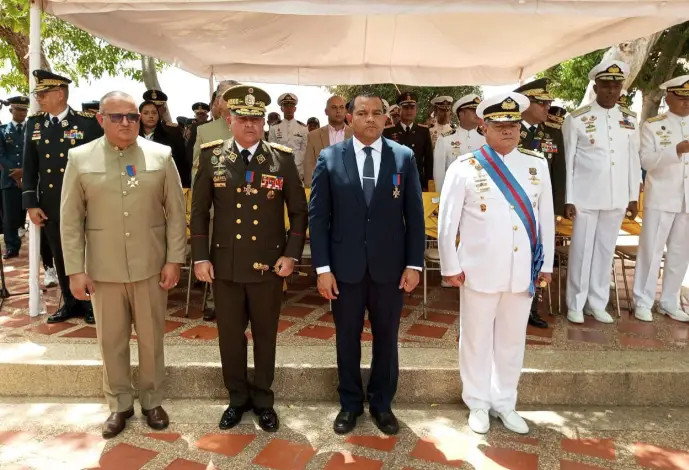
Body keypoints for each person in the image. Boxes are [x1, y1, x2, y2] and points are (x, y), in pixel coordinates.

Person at [60, 91, 187, 439]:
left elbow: (176, 213)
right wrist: (75, 269)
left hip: (150, 266)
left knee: (151, 340)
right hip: (103, 269)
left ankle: (151, 399)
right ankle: (119, 404)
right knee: (111, 341)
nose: (127, 123)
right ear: (101, 119)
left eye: (132, 116)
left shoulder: (161, 155)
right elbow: (70, 219)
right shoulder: (80, 157)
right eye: (117, 117)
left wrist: (175, 258)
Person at [190, 85, 307, 432]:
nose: (251, 125)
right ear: (229, 120)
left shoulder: (280, 159)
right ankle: (237, 398)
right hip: (225, 266)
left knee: (266, 335)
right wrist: (199, 257)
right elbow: (198, 213)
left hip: (269, 266)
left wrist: (291, 255)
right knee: (229, 335)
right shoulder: (212, 157)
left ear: (264, 122)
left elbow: (299, 213)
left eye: (256, 118)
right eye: (243, 118)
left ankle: (263, 400)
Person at [438, 92, 554, 435]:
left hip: (521, 273)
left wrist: (544, 263)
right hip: (478, 270)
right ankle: (477, 402)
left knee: (511, 340)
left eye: (514, 124)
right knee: (474, 339)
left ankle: (505, 402)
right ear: (483, 126)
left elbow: (544, 217)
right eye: (500, 125)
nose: (508, 131)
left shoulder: (536, 164)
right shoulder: (464, 167)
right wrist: (449, 266)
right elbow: (447, 223)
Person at [310, 93, 425, 436]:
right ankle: (349, 403)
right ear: (349, 117)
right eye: (362, 113)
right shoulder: (330, 158)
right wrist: (322, 268)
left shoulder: (402, 157)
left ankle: (381, 404)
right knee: (346, 338)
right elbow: (319, 218)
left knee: (387, 339)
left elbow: (414, 216)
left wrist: (414, 265)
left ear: (386, 118)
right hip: (344, 269)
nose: (371, 119)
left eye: (377, 113)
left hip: (390, 269)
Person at [22, 69, 103, 324]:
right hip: (51, 204)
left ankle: (90, 302)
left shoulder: (87, 123)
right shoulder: (35, 124)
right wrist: (30, 203)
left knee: (86, 254)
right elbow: (30, 166)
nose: (39, 99)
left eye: (43, 94)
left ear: (59, 94)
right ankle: (70, 302)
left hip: (82, 203)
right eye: (37, 94)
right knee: (59, 253)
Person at [563, 60, 641, 324]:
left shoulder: (629, 119)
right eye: (606, 85)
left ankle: (596, 303)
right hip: (585, 196)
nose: (611, 90)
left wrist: (633, 195)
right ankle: (575, 302)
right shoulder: (577, 118)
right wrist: (569, 198)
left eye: (616, 86)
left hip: (617, 196)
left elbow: (633, 160)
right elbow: (569, 162)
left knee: (605, 250)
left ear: (621, 88)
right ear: (596, 86)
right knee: (582, 251)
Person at [632, 75, 689, 322]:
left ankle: (669, 301)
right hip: (661, 196)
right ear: (669, 97)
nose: (687, 102)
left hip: (687, 199)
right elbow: (646, 161)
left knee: (680, 252)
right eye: (682, 97)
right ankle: (642, 301)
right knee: (652, 251)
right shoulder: (653, 126)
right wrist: (676, 150)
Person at [513, 78, 555, 329]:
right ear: (527, 103)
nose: (547, 107)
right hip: (512, 206)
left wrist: (558, 209)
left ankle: (533, 308)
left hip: (539, 209)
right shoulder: (507, 129)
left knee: (537, 258)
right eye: (542, 102)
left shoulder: (551, 134)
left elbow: (557, 175)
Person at [433, 94, 485, 193]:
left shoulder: (486, 139)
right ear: (461, 114)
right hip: (455, 194)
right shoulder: (445, 139)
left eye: (479, 110)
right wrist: (441, 198)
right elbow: (439, 174)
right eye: (473, 110)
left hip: (480, 195)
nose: (477, 114)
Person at [383, 91, 434, 190]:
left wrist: (428, 182)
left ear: (416, 109)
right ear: (399, 110)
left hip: (417, 179)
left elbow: (428, 160)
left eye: (412, 108)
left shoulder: (423, 131)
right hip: (395, 179)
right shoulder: (388, 131)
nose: (409, 111)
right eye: (406, 108)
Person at [0, 96, 29, 259]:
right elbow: (1, 155)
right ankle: (11, 246)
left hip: (31, 178)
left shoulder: (33, 130)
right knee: (9, 217)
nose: (22, 113)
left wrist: (24, 172)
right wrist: (16, 173)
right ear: (11, 110)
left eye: (24, 109)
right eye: (18, 109)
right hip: (9, 180)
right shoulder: (3, 131)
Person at [139, 100, 191, 188]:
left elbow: (181, 164)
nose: (151, 116)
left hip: (165, 185)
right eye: (146, 113)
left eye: (154, 113)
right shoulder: (133, 138)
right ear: (139, 116)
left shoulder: (170, 137)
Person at [303, 95, 353, 187]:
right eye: (334, 107)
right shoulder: (313, 136)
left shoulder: (356, 135)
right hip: (322, 191)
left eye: (341, 107)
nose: (338, 111)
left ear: (345, 111)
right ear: (326, 112)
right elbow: (309, 167)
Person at [268, 93, 308, 180]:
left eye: (291, 105)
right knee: (277, 193)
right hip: (279, 168)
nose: (289, 108)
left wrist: (295, 162)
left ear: (295, 108)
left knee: (297, 193)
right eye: (286, 105)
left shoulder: (303, 128)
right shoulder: (274, 127)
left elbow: (304, 149)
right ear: (281, 108)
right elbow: (272, 149)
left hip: (297, 169)